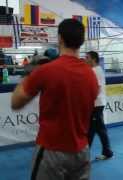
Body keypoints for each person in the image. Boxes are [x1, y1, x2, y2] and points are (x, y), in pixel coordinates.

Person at [11, 19, 98, 180]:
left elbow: (15, 102)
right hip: (82, 152)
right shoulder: (91, 75)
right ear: (82, 41)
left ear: (60, 38)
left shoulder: (47, 71)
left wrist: (29, 72)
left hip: (52, 151)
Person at [86, 51, 113, 160]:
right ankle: (86, 153)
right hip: (97, 103)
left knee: (99, 129)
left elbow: (97, 88)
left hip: (96, 104)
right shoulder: (96, 70)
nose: (85, 59)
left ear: (93, 59)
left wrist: (89, 101)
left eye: (87, 57)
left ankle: (107, 152)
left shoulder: (95, 71)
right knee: (92, 129)